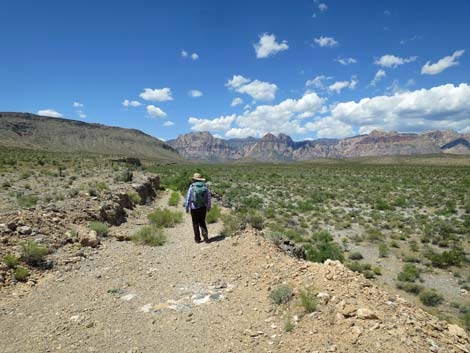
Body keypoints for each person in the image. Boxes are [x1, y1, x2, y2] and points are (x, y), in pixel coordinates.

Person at [185, 173, 211, 243]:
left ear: (194, 179)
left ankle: (197, 239)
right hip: (203, 207)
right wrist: (208, 206)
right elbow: (208, 197)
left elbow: (188, 197)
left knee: (195, 223)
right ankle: (205, 234)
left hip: (194, 207)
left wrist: (187, 207)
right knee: (202, 221)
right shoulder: (205, 186)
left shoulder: (192, 186)